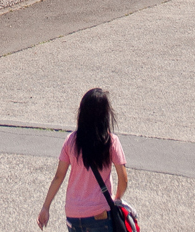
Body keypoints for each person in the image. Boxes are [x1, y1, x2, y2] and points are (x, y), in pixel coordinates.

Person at [36, 86, 128, 229]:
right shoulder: (110, 141)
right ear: (105, 114)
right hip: (100, 214)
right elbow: (123, 178)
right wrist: (116, 198)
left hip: (73, 215)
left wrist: (45, 207)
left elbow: (59, 176)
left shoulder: (71, 141)